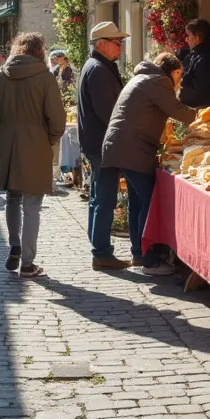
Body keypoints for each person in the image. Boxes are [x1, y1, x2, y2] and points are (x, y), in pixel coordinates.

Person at [102, 52, 198, 275]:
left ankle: (138, 252)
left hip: (124, 145)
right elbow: (176, 110)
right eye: (180, 76)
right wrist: (202, 116)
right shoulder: (158, 81)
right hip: (133, 148)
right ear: (173, 72)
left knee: (137, 201)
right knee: (149, 201)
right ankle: (151, 260)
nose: (180, 81)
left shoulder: (143, 77)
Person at [0, 32, 66, 279]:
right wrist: (49, 139)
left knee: (13, 198)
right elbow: (57, 119)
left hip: (9, 145)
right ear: (39, 51)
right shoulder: (44, 77)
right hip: (36, 145)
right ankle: (28, 262)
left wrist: (2, 135)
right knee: (32, 205)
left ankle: (14, 245)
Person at [77, 22, 130, 270]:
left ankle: (98, 245)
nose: (120, 47)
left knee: (99, 196)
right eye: (116, 43)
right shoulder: (98, 70)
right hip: (102, 144)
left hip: (97, 143)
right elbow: (109, 112)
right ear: (101, 44)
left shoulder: (98, 67)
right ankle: (101, 251)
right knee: (105, 198)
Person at [179, 19, 210, 109]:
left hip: (198, 109)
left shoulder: (206, 59)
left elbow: (200, 92)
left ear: (197, 38)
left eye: (188, 36)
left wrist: (176, 94)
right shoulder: (195, 55)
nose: (186, 39)